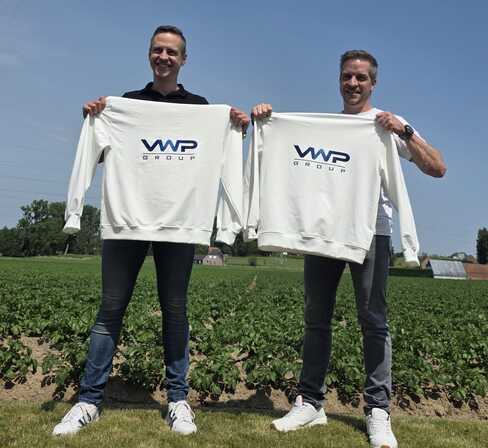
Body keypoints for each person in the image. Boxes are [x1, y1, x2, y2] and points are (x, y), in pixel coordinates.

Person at [53, 25, 250, 437]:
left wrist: (234, 129)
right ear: (149, 55)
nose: (164, 57)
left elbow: (227, 157)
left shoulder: (202, 110)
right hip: (126, 222)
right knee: (110, 310)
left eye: (171, 52)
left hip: (180, 225)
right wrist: (93, 122)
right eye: (158, 50)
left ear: (183, 60)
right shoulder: (124, 105)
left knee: (175, 311)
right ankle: (88, 401)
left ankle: (178, 400)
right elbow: (94, 151)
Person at [251, 50, 446, 448]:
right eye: (346, 76)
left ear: (373, 83)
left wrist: (404, 132)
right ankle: (310, 403)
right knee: (315, 318)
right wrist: (265, 119)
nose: (353, 83)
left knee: (374, 321)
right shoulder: (324, 129)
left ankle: (378, 410)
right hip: (323, 232)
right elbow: (280, 144)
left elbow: (437, 167)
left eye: (360, 78)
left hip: (372, 233)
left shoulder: (386, 125)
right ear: (339, 80)